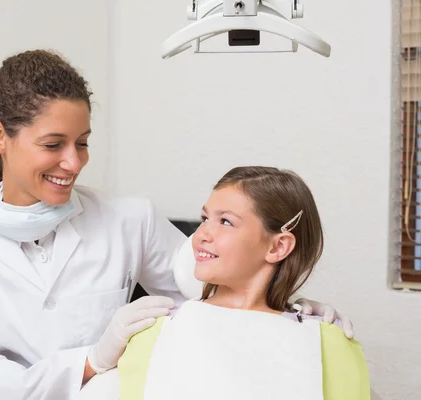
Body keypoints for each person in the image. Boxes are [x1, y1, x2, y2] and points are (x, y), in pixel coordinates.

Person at [0, 50, 352, 399]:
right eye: (53, 144)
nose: (74, 163)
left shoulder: (130, 218)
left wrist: (289, 308)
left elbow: (215, 288)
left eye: (83, 143)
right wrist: (92, 360)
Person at [89, 167, 369, 400]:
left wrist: (318, 333)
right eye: (204, 218)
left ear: (278, 246)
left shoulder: (328, 343)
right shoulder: (153, 332)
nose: (201, 234)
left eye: (225, 221)